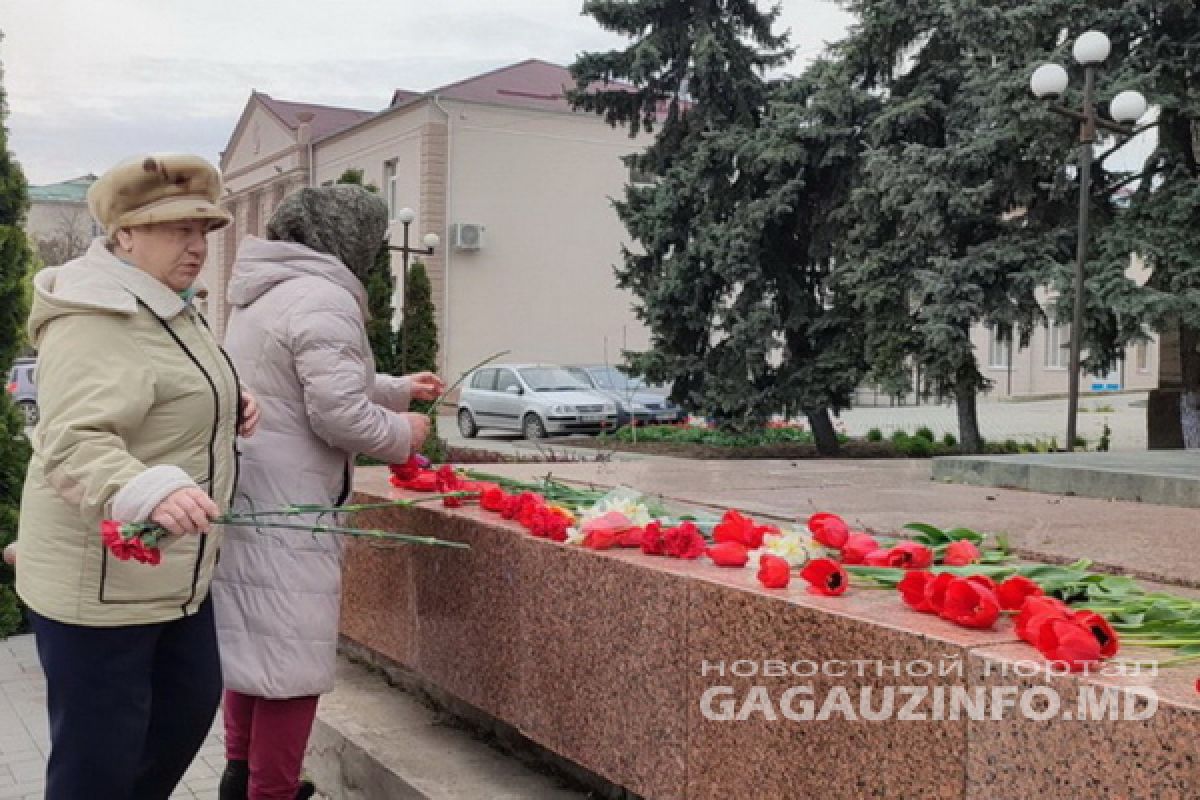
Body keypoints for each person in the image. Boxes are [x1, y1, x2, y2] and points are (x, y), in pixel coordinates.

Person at [16, 153, 259, 800]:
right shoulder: (98, 314)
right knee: (98, 767)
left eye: (204, 230)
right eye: (176, 229)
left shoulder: (167, 305)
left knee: (181, 718)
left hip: (172, 576)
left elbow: (161, 390)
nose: (197, 245)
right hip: (99, 590)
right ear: (123, 234)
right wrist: (149, 488)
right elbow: (71, 440)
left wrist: (228, 404)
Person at [212, 185, 442, 800]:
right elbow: (337, 413)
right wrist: (405, 432)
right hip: (293, 508)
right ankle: (273, 792)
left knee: (255, 651)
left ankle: (241, 778)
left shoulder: (271, 290)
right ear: (350, 240)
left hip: (254, 495)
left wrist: (395, 388)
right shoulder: (324, 297)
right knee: (292, 661)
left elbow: (310, 378)